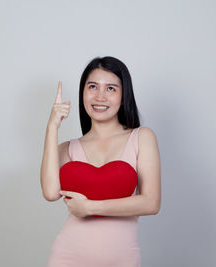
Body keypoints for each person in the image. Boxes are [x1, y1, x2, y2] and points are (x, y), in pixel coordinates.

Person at [40, 56, 161, 267]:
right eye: (93, 87)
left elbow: (151, 202)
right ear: (83, 93)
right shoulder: (67, 149)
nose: (100, 96)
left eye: (111, 89)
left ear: (124, 97)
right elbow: (51, 193)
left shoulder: (142, 137)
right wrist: (52, 128)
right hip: (67, 258)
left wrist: (90, 207)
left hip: (121, 260)